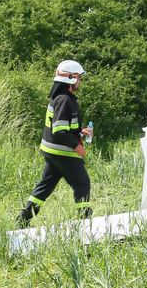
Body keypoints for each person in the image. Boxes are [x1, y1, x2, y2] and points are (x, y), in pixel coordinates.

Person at [16, 60, 93, 227]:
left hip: (52, 152)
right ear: (71, 78)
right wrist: (77, 146)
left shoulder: (62, 98)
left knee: (46, 186)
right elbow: (59, 130)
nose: (80, 81)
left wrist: (80, 132)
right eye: (79, 78)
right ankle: (85, 222)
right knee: (82, 183)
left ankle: (23, 219)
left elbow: (63, 127)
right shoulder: (65, 100)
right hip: (63, 152)